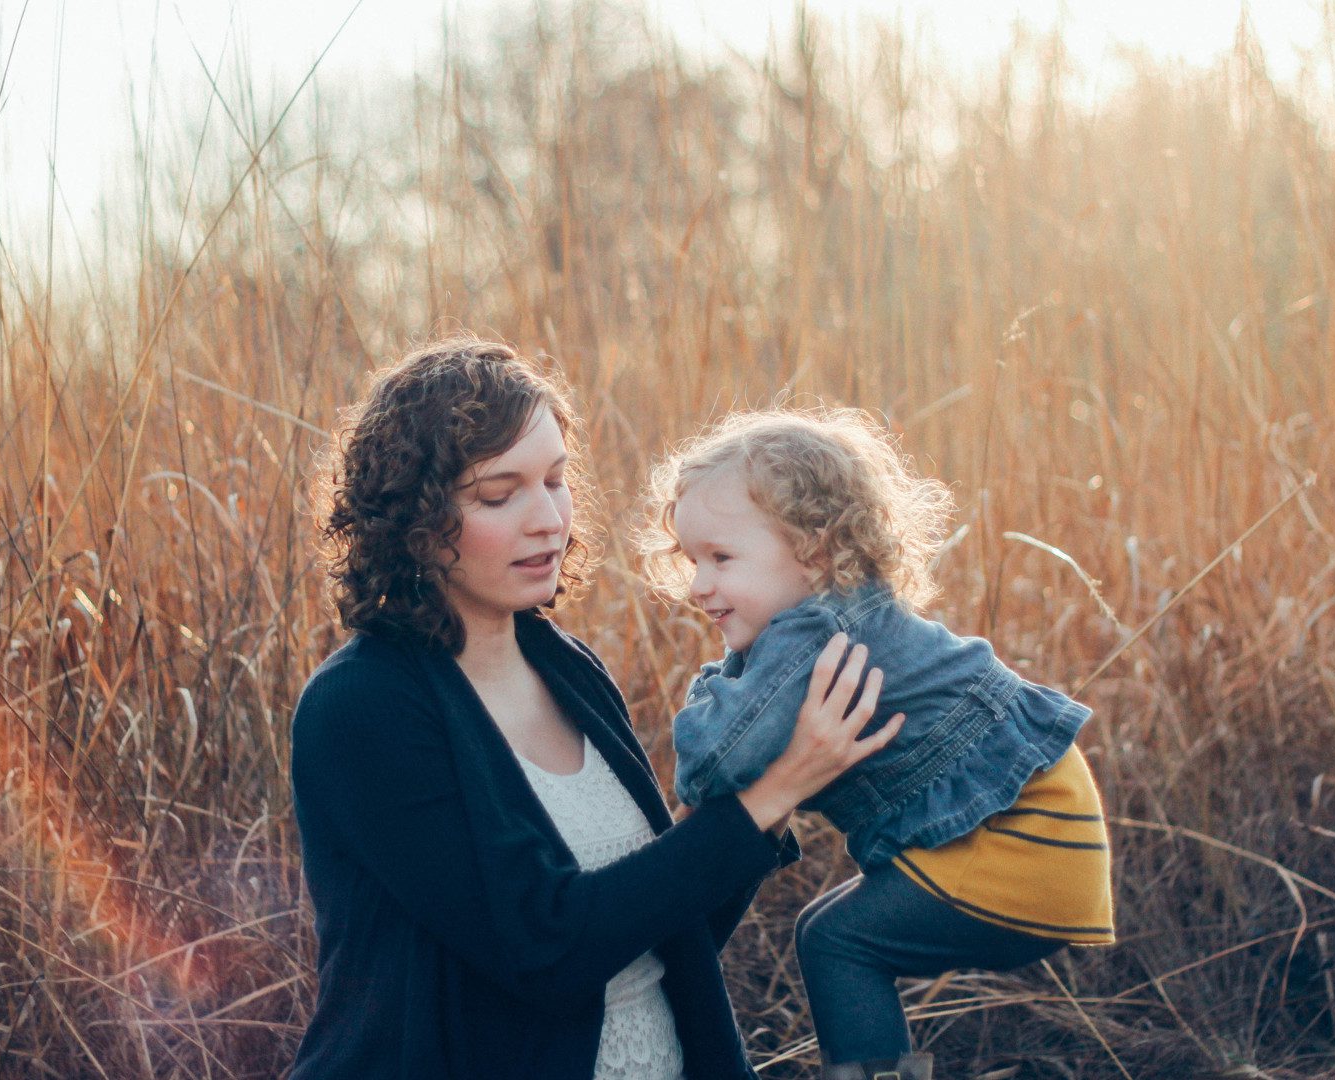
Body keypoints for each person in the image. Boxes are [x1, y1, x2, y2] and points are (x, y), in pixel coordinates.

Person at [288, 338, 905, 1080]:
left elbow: (664, 934)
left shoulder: (566, 666)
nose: (547, 519)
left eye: (555, 480)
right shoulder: (362, 707)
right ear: (411, 518)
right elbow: (544, 951)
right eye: (498, 494)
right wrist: (771, 793)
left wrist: (778, 779)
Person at [639, 408, 1117, 1080]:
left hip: (1019, 841)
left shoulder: (811, 635)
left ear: (814, 547)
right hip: (1047, 831)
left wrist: (716, 682)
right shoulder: (843, 614)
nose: (698, 585)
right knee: (822, 931)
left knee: (839, 943)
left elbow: (714, 761)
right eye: (692, 560)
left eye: (721, 558)